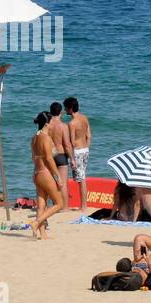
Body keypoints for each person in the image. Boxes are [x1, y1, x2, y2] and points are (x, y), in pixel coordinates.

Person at [29, 111, 66, 239]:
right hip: (45, 173)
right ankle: (36, 223)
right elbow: (50, 159)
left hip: (36, 173)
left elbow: (33, 157)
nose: (52, 124)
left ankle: (43, 234)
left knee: (42, 205)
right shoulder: (46, 137)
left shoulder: (34, 137)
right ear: (46, 123)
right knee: (59, 203)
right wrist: (58, 176)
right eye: (51, 122)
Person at [64, 97, 92, 211]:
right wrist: (87, 148)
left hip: (77, 151)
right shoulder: (84, 118)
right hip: (85, 149)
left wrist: (72, 158)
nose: (65, 110)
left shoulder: (72, 123)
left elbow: (71, 142)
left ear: (70, 108)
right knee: (82, 177)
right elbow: (89, 135)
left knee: (81, 180)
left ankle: (84, 206)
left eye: (66, 107)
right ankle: (83, 205)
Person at [45, 101, 74, 199]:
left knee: (53, 183)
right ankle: (64, 208)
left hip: (49, 155)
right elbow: (67, 145)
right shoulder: (63, 126)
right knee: (63, 184)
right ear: (60, 112)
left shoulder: (46, 125)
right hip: (61, 156)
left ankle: (56, 205)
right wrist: (72, 159)